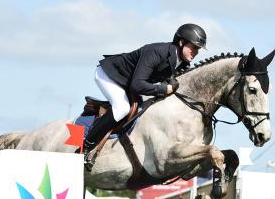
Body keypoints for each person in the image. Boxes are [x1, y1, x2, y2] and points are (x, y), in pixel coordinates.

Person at [82, 23, 208, 170]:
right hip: (110, 75)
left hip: (128, 83)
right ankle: (86, 145)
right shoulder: (156, 52)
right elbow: (137, 85)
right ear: (181, 42)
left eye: (198, 49)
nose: (196, 52)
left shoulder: (182, 63)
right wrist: (163, 89)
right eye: (194, 47)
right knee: (122, 108)